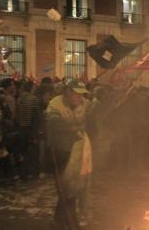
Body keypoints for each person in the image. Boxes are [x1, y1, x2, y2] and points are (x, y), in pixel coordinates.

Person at [47, 80, 92, 230]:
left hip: (78, 150)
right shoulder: (55, 104)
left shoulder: (84, 104)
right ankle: (71, 223)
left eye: (82, 95)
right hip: (59, 151)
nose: (81, 98)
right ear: (68, 92)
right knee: (65, 189)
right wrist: (70, 129)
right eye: (78, 95)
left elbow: (93, 116)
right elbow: (52, 122)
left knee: (73, 188)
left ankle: (59, 221)